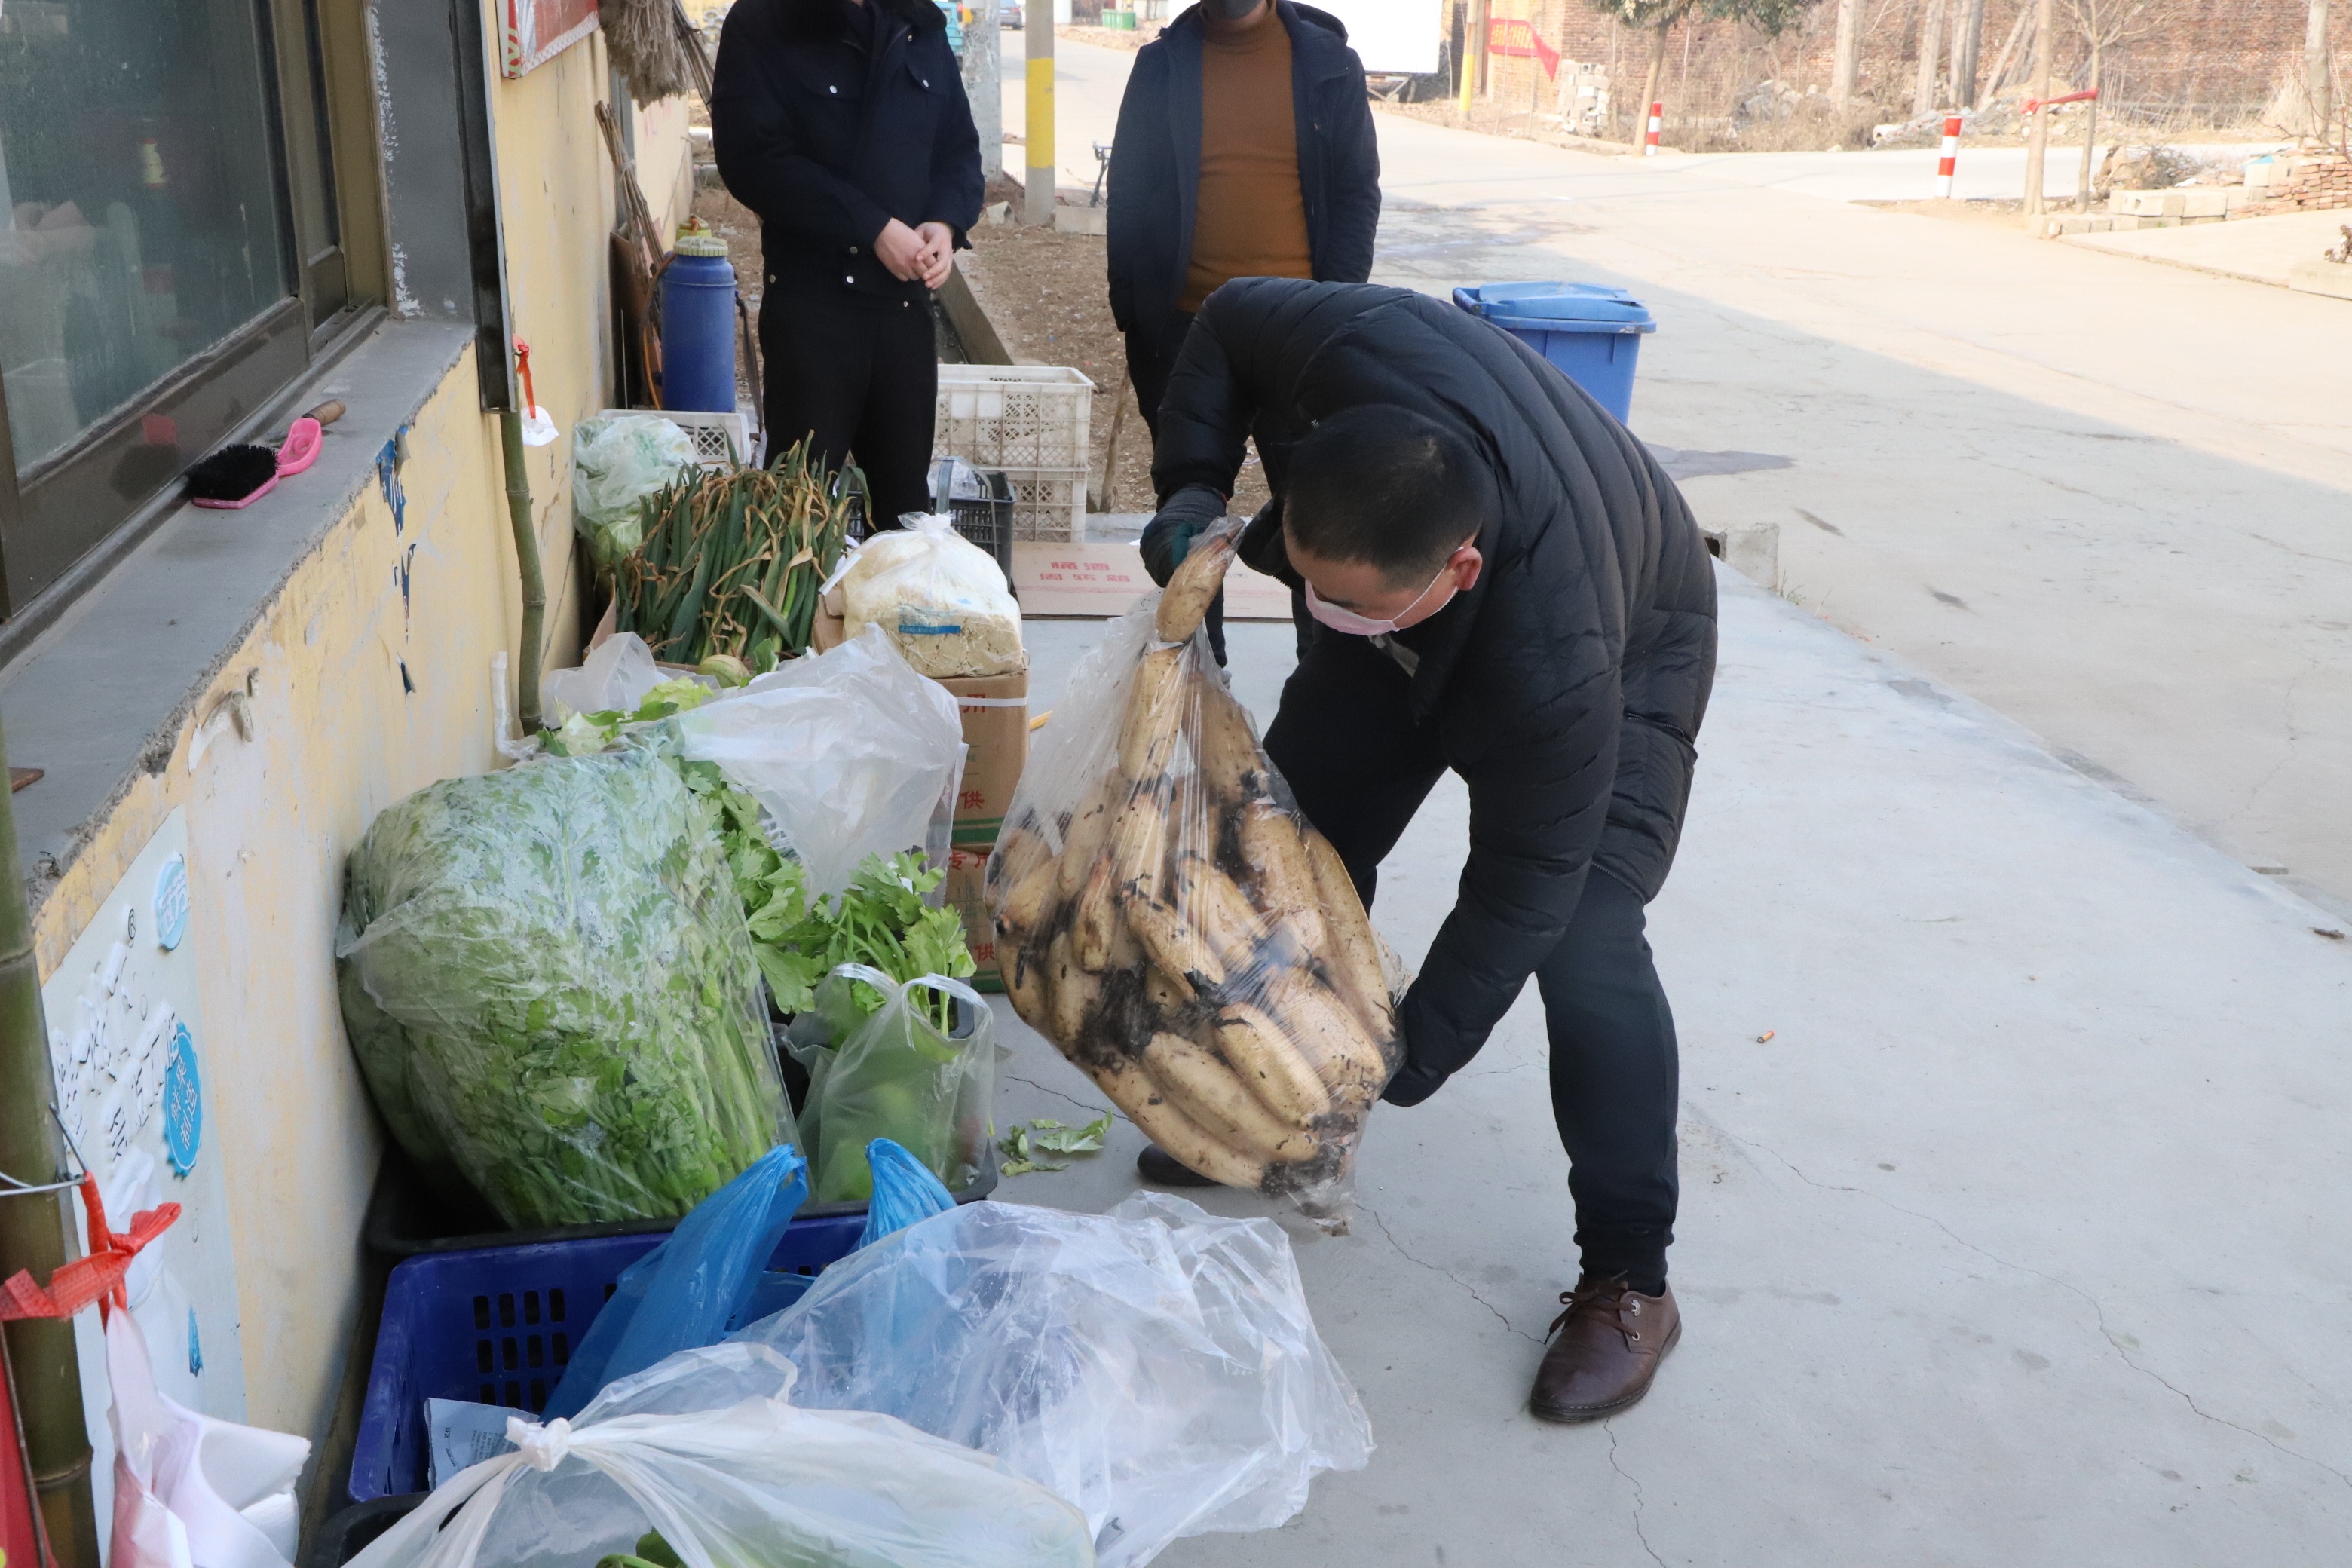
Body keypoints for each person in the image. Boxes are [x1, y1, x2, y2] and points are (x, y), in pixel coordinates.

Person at [1138, 277, 1718, 1424]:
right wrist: (1193, 489)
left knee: (1589, 940)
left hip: (1635, 629)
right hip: (1423, 583)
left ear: (1455, 572)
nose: (1323, 615)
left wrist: (1401, 1056)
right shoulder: (1346, 346)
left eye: (1349, 605)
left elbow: (1521, 888)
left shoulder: (1550, 670)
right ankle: (1268, 1107)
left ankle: (1632, 1280)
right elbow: (1224, 322)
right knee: (1288, 843)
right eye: (1312, 590)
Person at [712, 0, 982, 525]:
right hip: (814, 308)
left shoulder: (918, 25)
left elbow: (958, 149)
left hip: (904, 309)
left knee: (905, 516)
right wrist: (872, 226)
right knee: (795, 515)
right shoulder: (766, 22)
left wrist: (946, 223)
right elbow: (754, 158)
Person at [1105, 0, 1380, 442]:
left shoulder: (1332, 64)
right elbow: (1128, 188)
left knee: (1303, 480)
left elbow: (1357, 193)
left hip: (1299, 326)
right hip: (1181, 329)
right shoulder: (1160, 64)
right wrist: (1131, 307)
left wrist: (1336, 306)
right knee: (1188, 479)